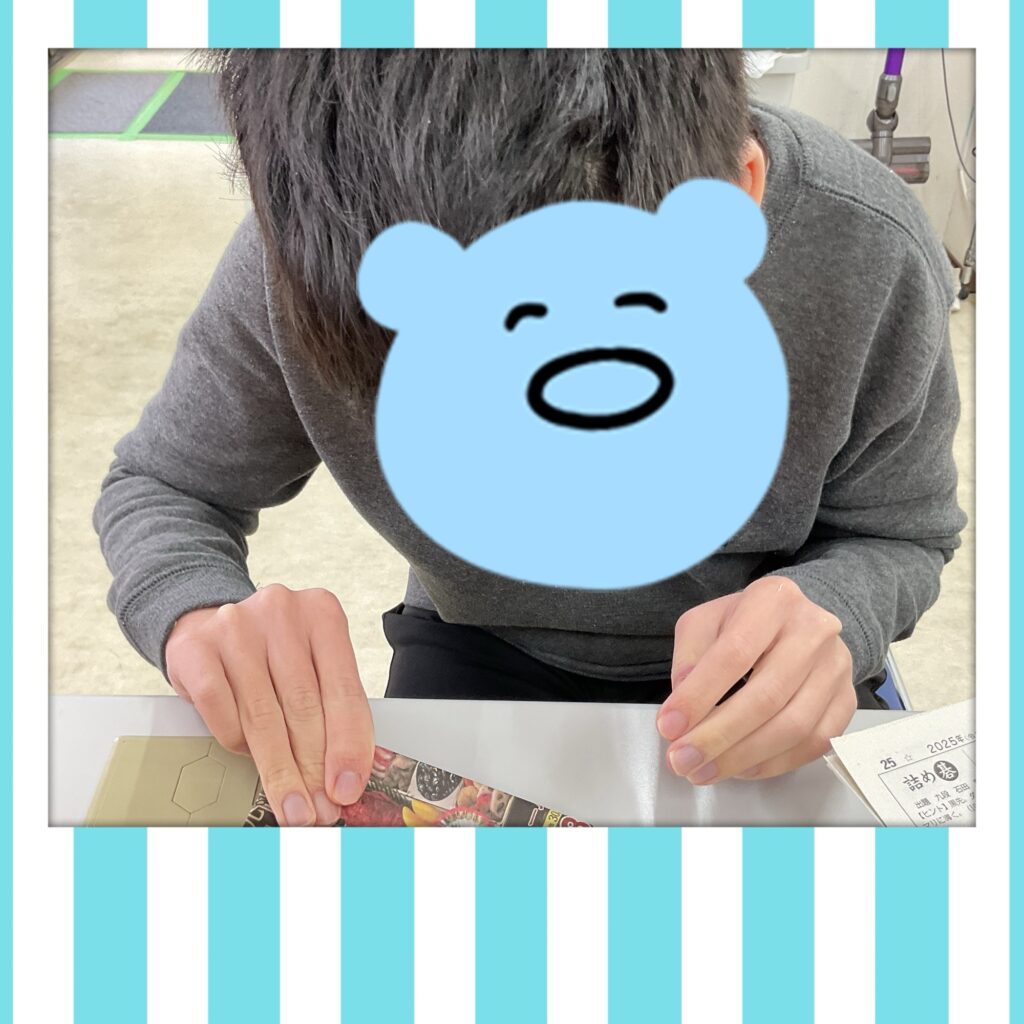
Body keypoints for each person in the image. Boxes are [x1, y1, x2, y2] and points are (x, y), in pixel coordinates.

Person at [94, 50, 966, 827]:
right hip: (484, 641)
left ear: (736, 196)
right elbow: (167, 486)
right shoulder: (320, 256)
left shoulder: (865, 246)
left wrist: (838, 608)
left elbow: (902, 531)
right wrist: (199, 612)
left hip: (770, 664)